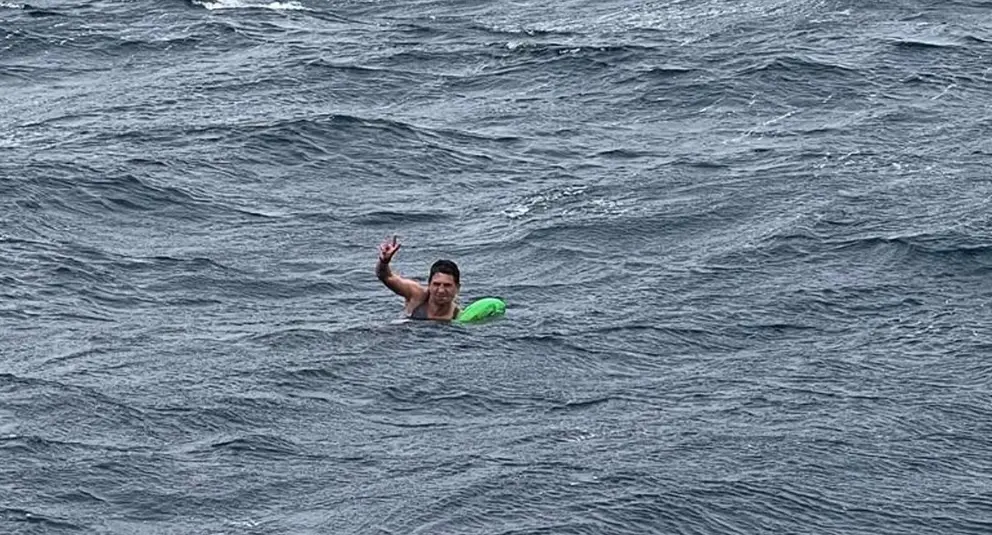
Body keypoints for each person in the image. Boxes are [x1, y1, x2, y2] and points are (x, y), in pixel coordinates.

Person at [376, 235, 461, 321]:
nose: (441, 290)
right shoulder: (417, 295)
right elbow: (386, 277)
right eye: (436, 284)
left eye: (447, 285)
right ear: (429, 284)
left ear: (457, 288)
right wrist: (384, 262)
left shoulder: (458, 316)